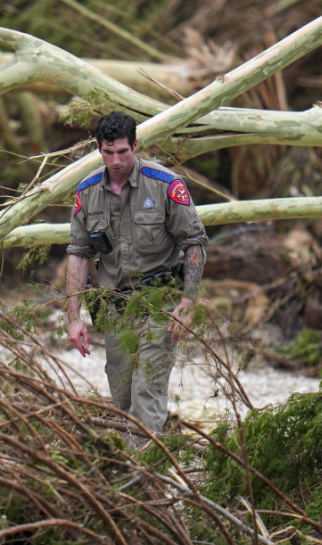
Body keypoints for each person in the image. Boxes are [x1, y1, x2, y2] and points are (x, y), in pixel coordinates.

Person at [65, 111, 208, 437]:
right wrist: (73, 317)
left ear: (135, 146)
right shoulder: (87, 192)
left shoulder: (164, 184)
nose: (116, 161)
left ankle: (141, 464)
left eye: (122, 152)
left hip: (161, 303)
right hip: (116, 308)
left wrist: (188, 303)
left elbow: (195, 242)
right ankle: (137, 459)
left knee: (147, 392)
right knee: (122, 398)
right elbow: (79, 253)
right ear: (98, 149)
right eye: (108, 152)